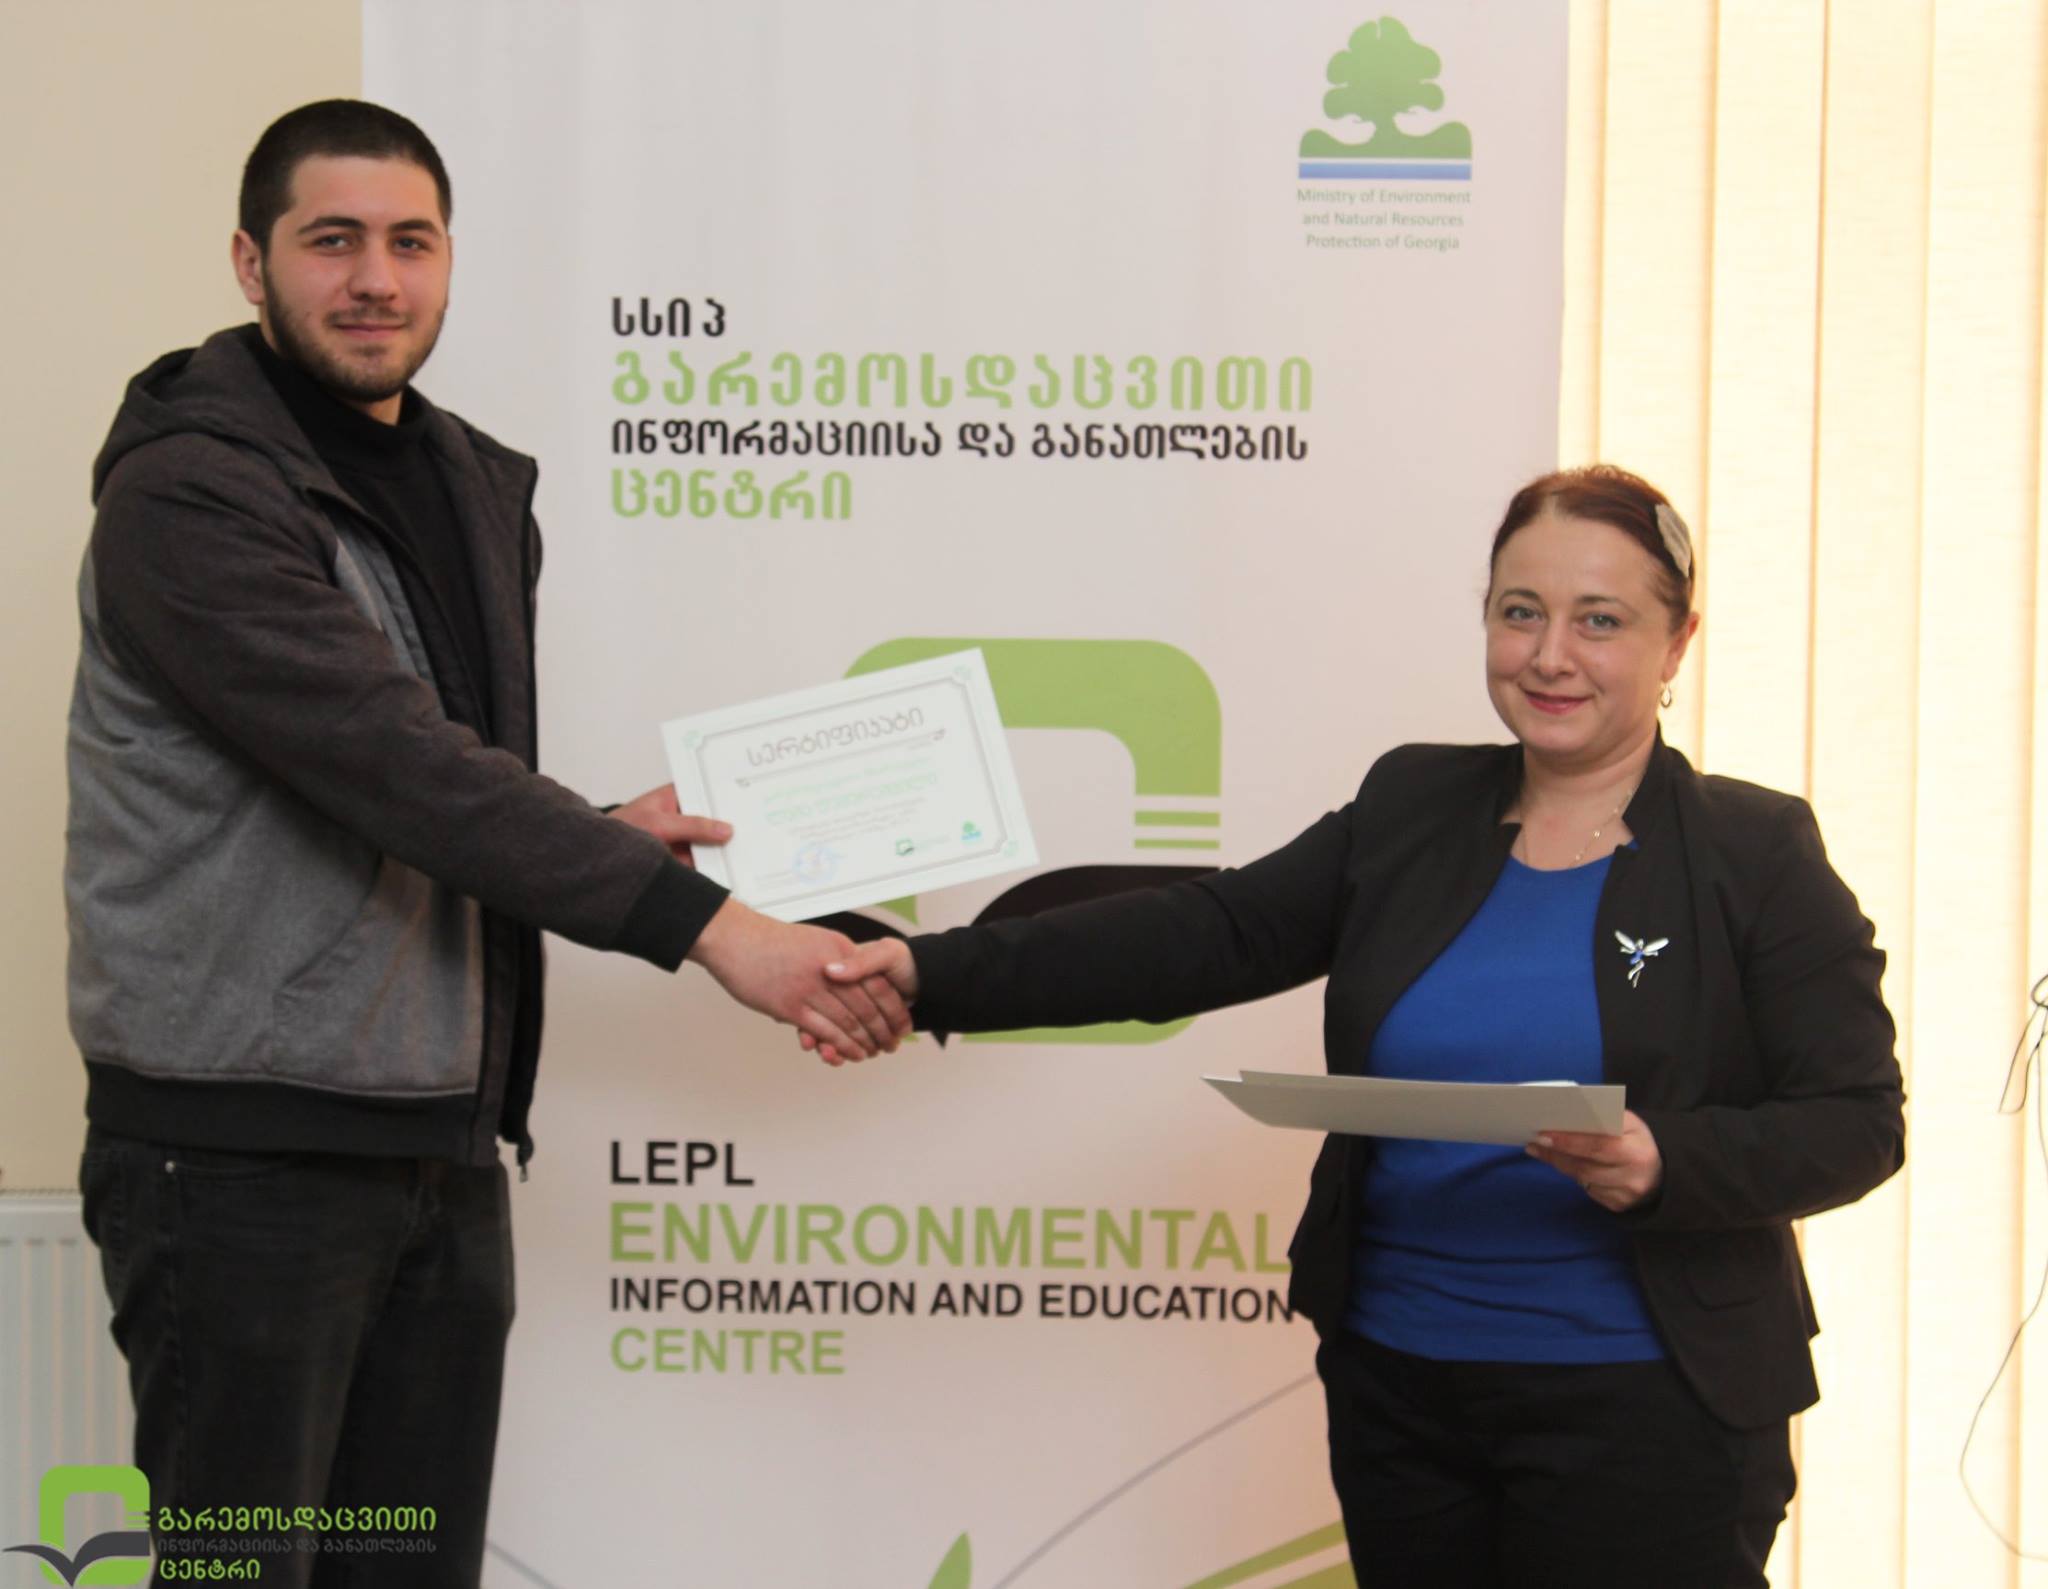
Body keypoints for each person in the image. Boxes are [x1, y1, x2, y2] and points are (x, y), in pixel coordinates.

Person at [67, 100, 906, 1586]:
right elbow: (396, 768)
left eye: (411, 241)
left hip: (439, 1144)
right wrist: (716, 933)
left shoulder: (467, 480)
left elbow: (431, 780)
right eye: (332, 241)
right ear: (252, 264)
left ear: (449, 260)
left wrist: (592, 831)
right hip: (240, 1157)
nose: (374, 278)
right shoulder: (188, 494)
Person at [818, 466, 1905, 1588]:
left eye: (1600, 621)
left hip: (1648, 1405)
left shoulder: (1754, 852)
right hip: (1402, 1389)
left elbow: (1858, 1120)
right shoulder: (1409, 806)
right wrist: (928, 973)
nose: (1548, 655)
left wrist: (1666, 1158)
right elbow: (1211, 930)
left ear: (1675, 644)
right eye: (1519, 612)